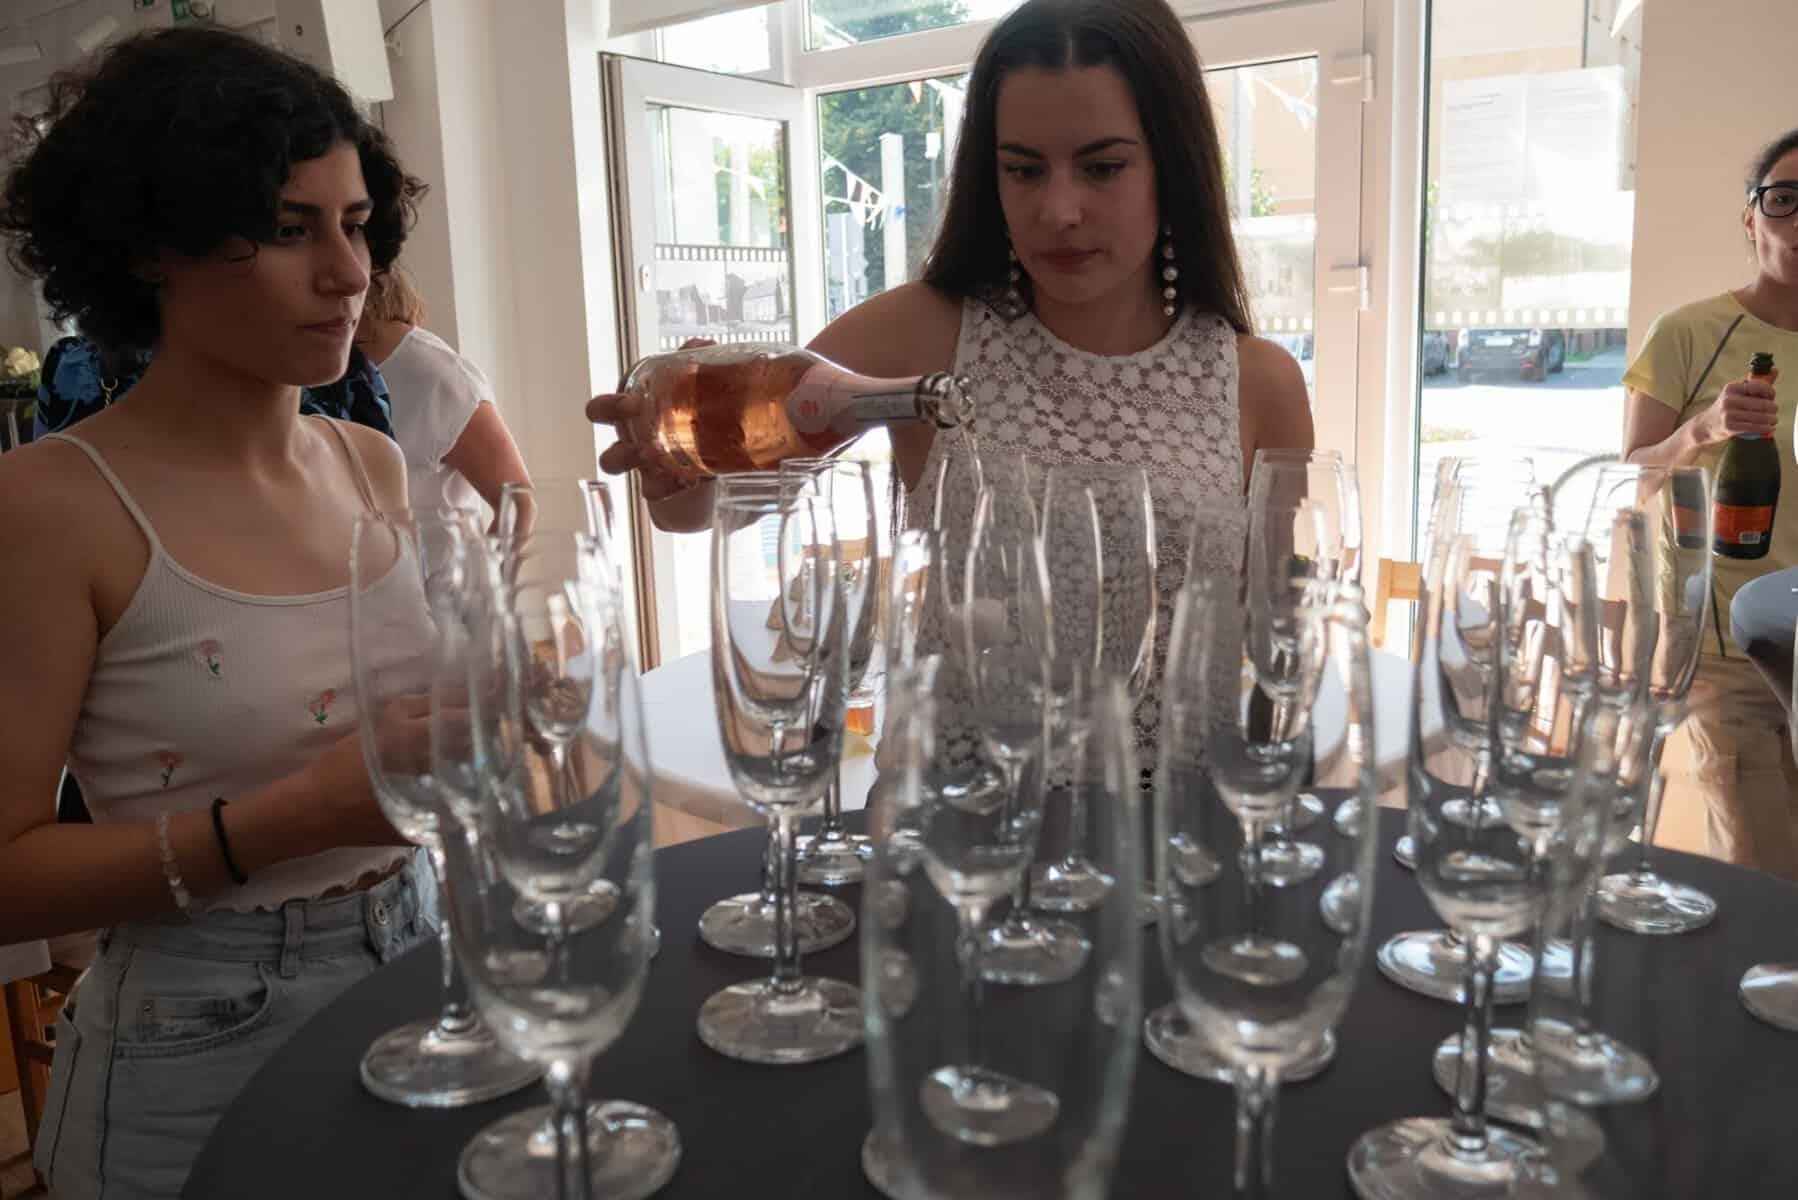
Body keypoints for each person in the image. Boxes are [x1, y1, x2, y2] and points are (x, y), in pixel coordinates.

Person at [588, 0, 1312, 758]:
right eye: (1023, 169)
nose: (1058, 209)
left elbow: (1277, 639)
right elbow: (710, 502)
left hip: (1176, 815)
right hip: (957, 815)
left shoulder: (1260, 383)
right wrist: (681, 462)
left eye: (1102, 168)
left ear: (1174, 164)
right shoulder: (922, 330)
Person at [0, 28, 433, 1195]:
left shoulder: (367, 464)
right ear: (154, 247)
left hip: (421, 967)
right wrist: (289, 820)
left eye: (356, 224)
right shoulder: (52, 506)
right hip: (196, 1040)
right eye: (290, 229)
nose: (347, 274)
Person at [1622, 127, 1798, 879]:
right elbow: (1633, 475)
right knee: (1766, 873)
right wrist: (1701, 429)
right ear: (1751, 217)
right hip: (1729, 652)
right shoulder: (1689, 331)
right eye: (1785, 198)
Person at [353, 266, 530, 522]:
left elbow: (519, 505)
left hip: (437, 549)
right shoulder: (313, 373)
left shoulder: (439, 377)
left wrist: (495, 554)